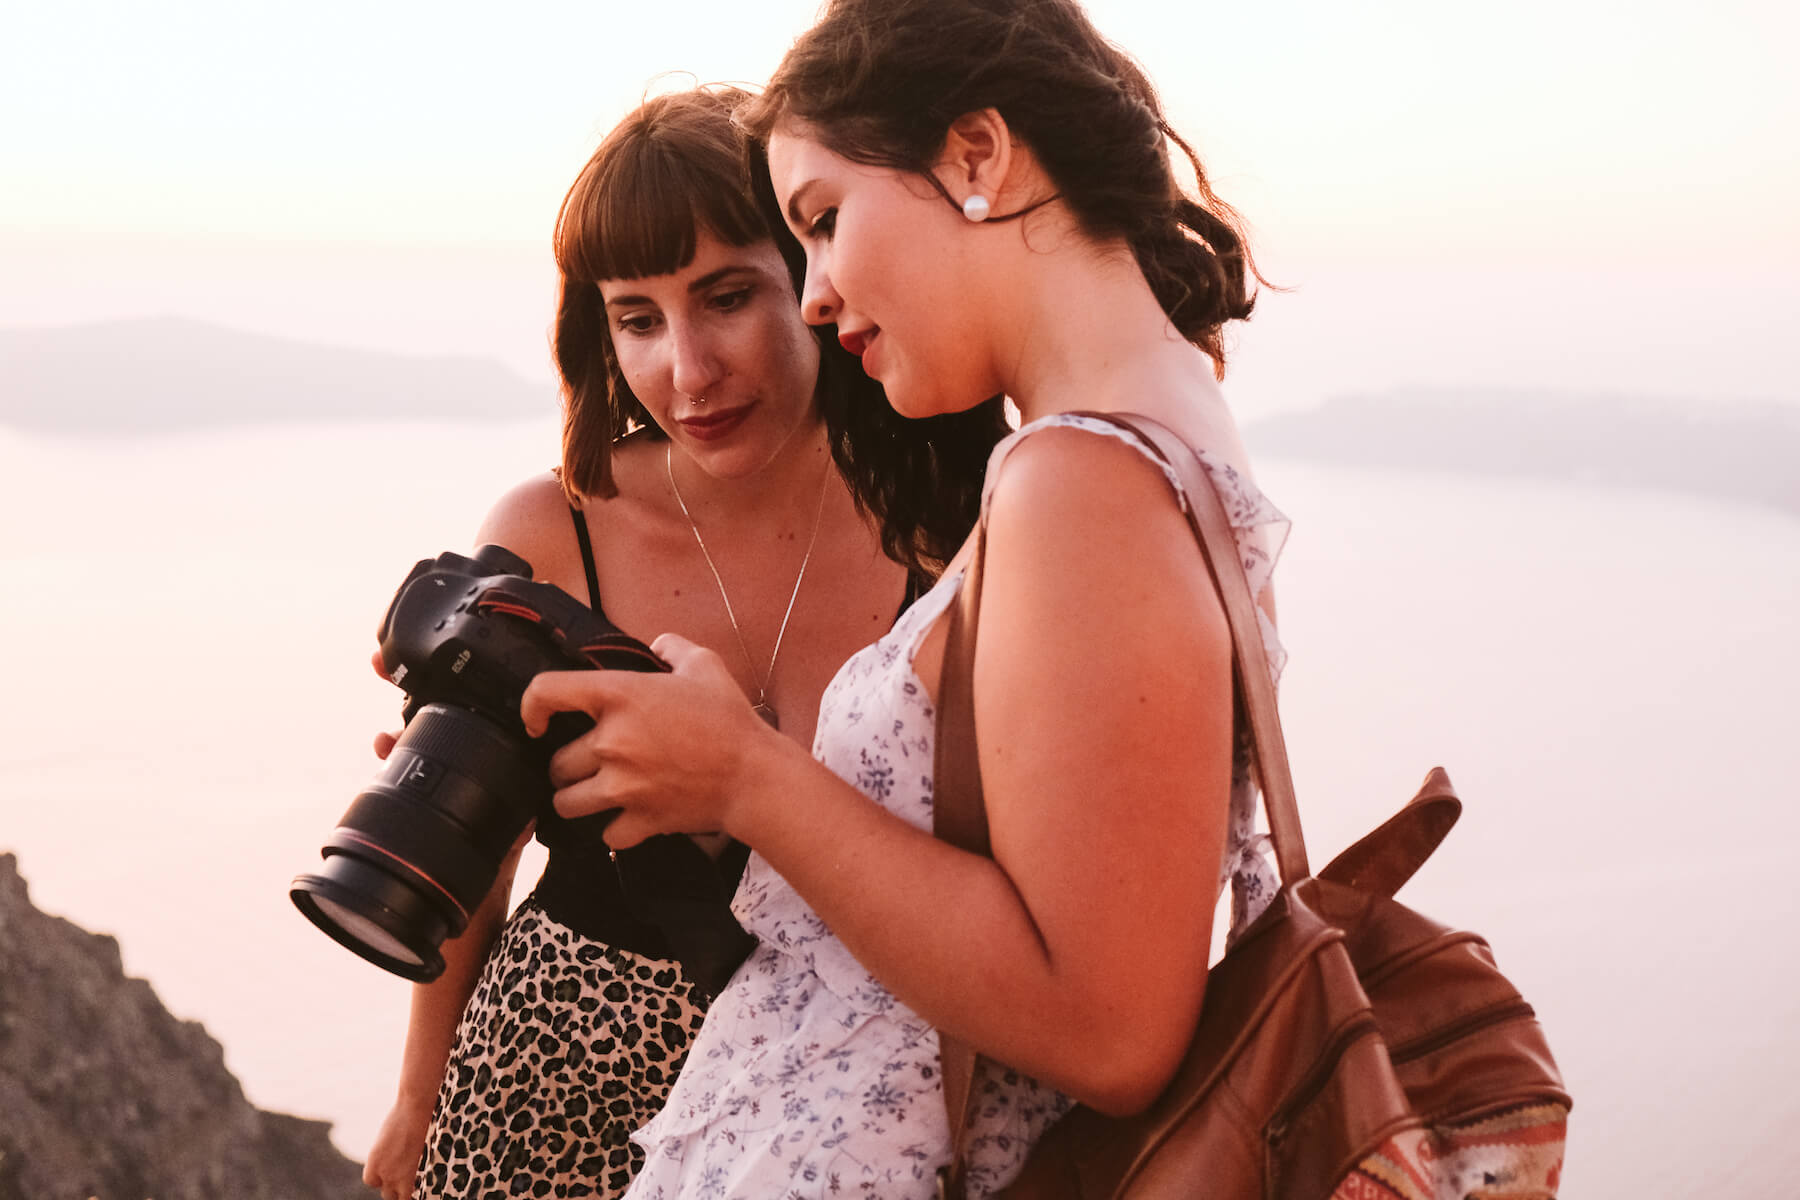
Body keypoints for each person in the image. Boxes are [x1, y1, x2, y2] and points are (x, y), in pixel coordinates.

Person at [514, 2, 1291, 1197]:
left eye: (823, 221)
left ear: (976, 155)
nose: (816, 295)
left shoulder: (1078, 479)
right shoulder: (1142, 432)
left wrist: (745, 776)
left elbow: (1109, 1030)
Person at [360, 85, 1005, 1200]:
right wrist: (419, 1098)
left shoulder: (950, 532)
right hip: (550, 1093)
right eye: (638, 318)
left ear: (816, 275)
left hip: (843, 1117)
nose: (687, 372)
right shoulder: (551, 529)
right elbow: (480, 852)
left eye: (727, 296)